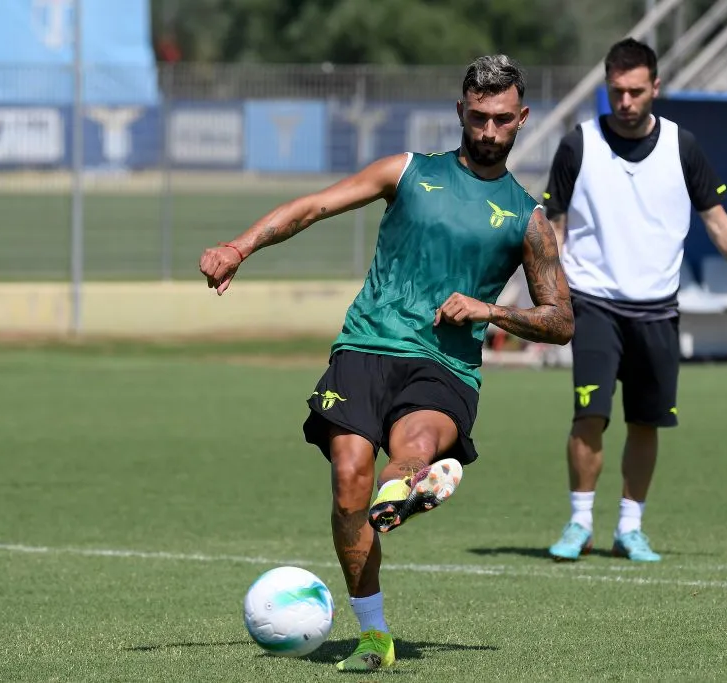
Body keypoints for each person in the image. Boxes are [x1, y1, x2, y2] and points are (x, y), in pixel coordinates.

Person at [199, 55, 573, 671]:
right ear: (460, 111)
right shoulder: (408, 172)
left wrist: (488, 310)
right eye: (478, 117)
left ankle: (406, 487)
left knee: (416, 443)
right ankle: (375, 634)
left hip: (445, 364)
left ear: (522, 118)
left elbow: (561, 321)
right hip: (367, 344)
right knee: (350, 478)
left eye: (502, 120)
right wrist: (240, 246)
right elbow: (315, 206)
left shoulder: (526, 218)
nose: (488, 131)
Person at [543, 38, 727, 563]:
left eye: (635, 91)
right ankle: (580, 523)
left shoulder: (683, 146)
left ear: (655, 86)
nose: (625, 101)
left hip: (658, 309)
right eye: (616, 92)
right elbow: (552, 229)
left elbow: (718, 222)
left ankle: (630, 528)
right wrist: (548, 298)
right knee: (590, 415)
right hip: (593, 302)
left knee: (645, 421)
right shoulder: (579, 144)